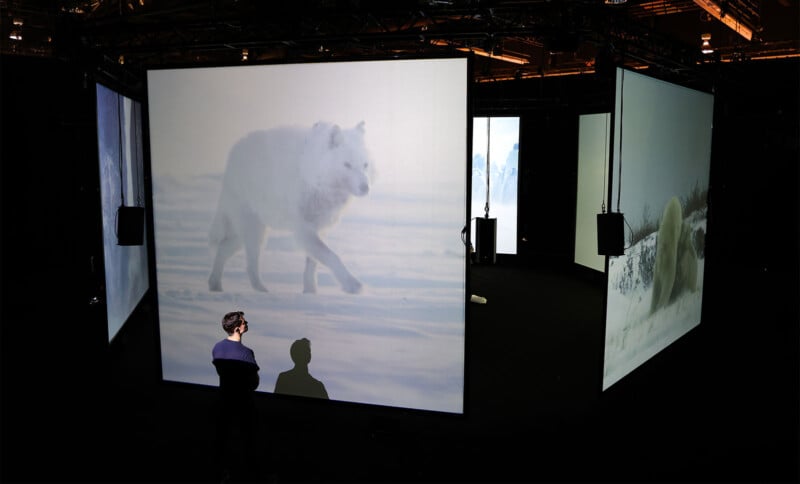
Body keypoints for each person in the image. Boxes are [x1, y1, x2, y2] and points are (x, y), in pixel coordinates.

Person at [211, 310, 260, 482]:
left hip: (223, 400)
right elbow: (254, 383)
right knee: (247, 441)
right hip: (243, 404)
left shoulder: (217, 348)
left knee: (223, 440)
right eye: (244, 322)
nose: (246, 323)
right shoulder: (246, 354)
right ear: (238, 328)